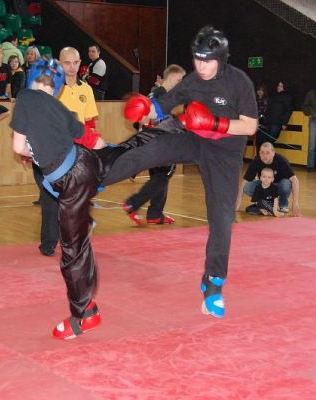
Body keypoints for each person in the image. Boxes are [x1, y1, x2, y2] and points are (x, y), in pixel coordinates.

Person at [100, 25, 258, 319]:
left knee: (222, 218)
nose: (201, 66)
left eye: (207, 61)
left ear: (221, 58)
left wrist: (215, 124)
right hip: (194, 139)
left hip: (225, 152)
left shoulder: (239, 82)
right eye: (198, 59)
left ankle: (213, 283)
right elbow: (162, 107)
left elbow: (250, 125)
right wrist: (144, 107)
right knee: (150, 150)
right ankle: (97, 177)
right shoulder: (192, 81)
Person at [11, 59, 102, 339]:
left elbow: (18, 147)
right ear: (59, 87)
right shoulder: (61, 108)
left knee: (71, 252)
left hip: (69, 180)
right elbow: (94, 140)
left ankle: (84, 315)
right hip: (84, 167)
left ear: (32, 79)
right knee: (77, 243)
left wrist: (35, 149)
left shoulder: (25, 97)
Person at [32, 46, 106, 257]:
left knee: (76, 199)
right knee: (50, 198)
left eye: (75, 63)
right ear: (59, 63)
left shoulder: (86, 90)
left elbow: (90, 122)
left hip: (77, 152)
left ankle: (74, 241)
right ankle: (48, 242)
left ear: (80, 63)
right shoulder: (49, 87)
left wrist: (93, 148)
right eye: (67, 63)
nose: (72, 67)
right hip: (51, 151)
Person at [122, 64, 186, 225]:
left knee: (160, 177)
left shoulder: (155, 93)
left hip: (152, 140)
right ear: (172, 78)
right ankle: (133, 203)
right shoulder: (163, 96)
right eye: (180, 80)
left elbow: (141, 118)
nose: (181, 83)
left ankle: (155, 214)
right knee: (164, 175)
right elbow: (146, 118)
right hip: (161, 141)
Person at [235, 142, 301, 217]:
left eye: (268, 153)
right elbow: (244, 181)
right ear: (259, 153)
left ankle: (283, 204)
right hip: (266, 185)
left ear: (273, 153)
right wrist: (238, 202)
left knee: (285, 184)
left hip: (279, 185)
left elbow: (295, 180)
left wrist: (295, 203)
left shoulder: (281, 160)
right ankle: (265, 203)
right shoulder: (256, 161)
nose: (265, 156)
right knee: (247, 187)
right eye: (262, 153)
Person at [255, 80, 293, 150]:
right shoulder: (273, 95)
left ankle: (266, 156)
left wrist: (285, 123)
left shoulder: (287, 96)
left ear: (285, 87)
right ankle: (261, 156)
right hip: (268, 122)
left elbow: (288, 110)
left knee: (269, 141)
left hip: (277, 122)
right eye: (278, 85)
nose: (279, 87)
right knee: (262, 141)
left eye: (281, 86)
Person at [254, 83, 268, 153]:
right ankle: (257, 156)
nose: (259, 92)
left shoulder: (266, 100)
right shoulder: (254, 100)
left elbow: (265, 112)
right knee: (257, 142)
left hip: (263, 124)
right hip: (254, 123)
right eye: (258, 90)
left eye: (261, 90)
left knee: (261, 141)